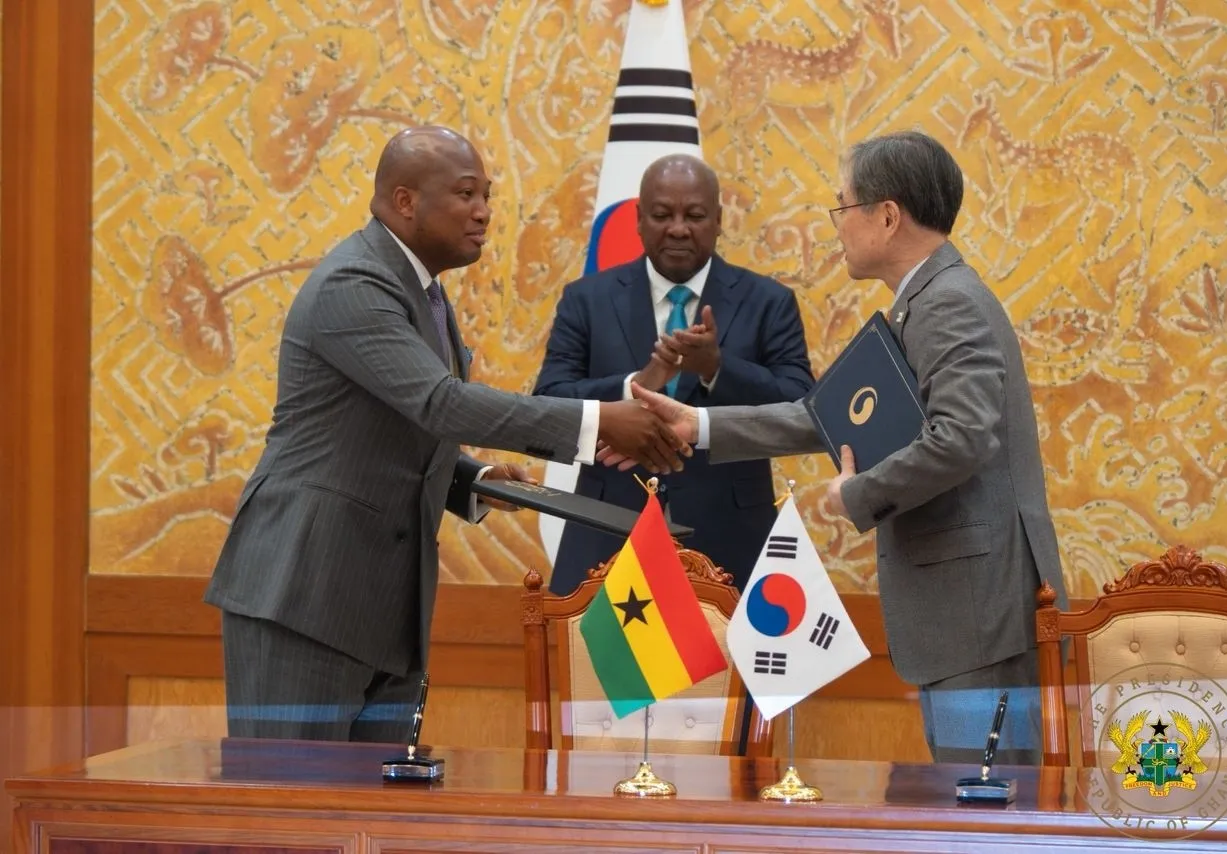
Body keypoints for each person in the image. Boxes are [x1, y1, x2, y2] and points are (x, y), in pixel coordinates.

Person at [205, 126, 691, 743]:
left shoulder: (423, 292)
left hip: (385, 612)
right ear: (405, 201)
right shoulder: (354, 283)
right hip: (304, 596)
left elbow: (394, 423)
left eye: (487, 194)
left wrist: (472, 479)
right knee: (292, 798)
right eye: (466, 194)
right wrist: (598, 420)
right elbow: (439, 403)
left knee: (372, 802)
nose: (484, 211)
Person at [602, 131, 1065, 766]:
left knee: (985, 800)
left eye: (843, 206)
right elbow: (826, 416)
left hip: (979, 615)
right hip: (965, 613)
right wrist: (698, 426)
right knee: (968, 798)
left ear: (888, 216)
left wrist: (857, 494)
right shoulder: (924, 301)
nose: (837, 224)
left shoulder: (947, 304)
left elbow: (960, 439)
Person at [533, 154, 815, 595]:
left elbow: (801, 405)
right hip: (607, 531)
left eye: (695, 215)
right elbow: (548, 403)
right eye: (662, 215)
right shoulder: (586, 299)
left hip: (731, 536)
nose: (678, 229)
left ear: (718, 220)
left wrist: (717, 369)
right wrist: (636, 384)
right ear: (638, 219)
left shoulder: (768, 301)